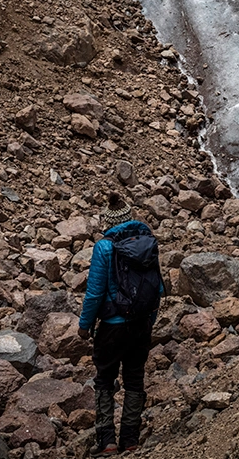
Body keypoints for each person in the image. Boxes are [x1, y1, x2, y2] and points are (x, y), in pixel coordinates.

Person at [79, 192, 163, 455]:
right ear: (129, 217)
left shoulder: (105, 247)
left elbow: (94, 293)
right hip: (141, 323)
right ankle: (130, 438)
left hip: (113, 325)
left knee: (105, 379)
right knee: (134, 379)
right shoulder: (148, 242)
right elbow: (157, 286)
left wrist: (85, 325)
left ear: (107, 220)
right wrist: (149, 319)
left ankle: (107, 441)